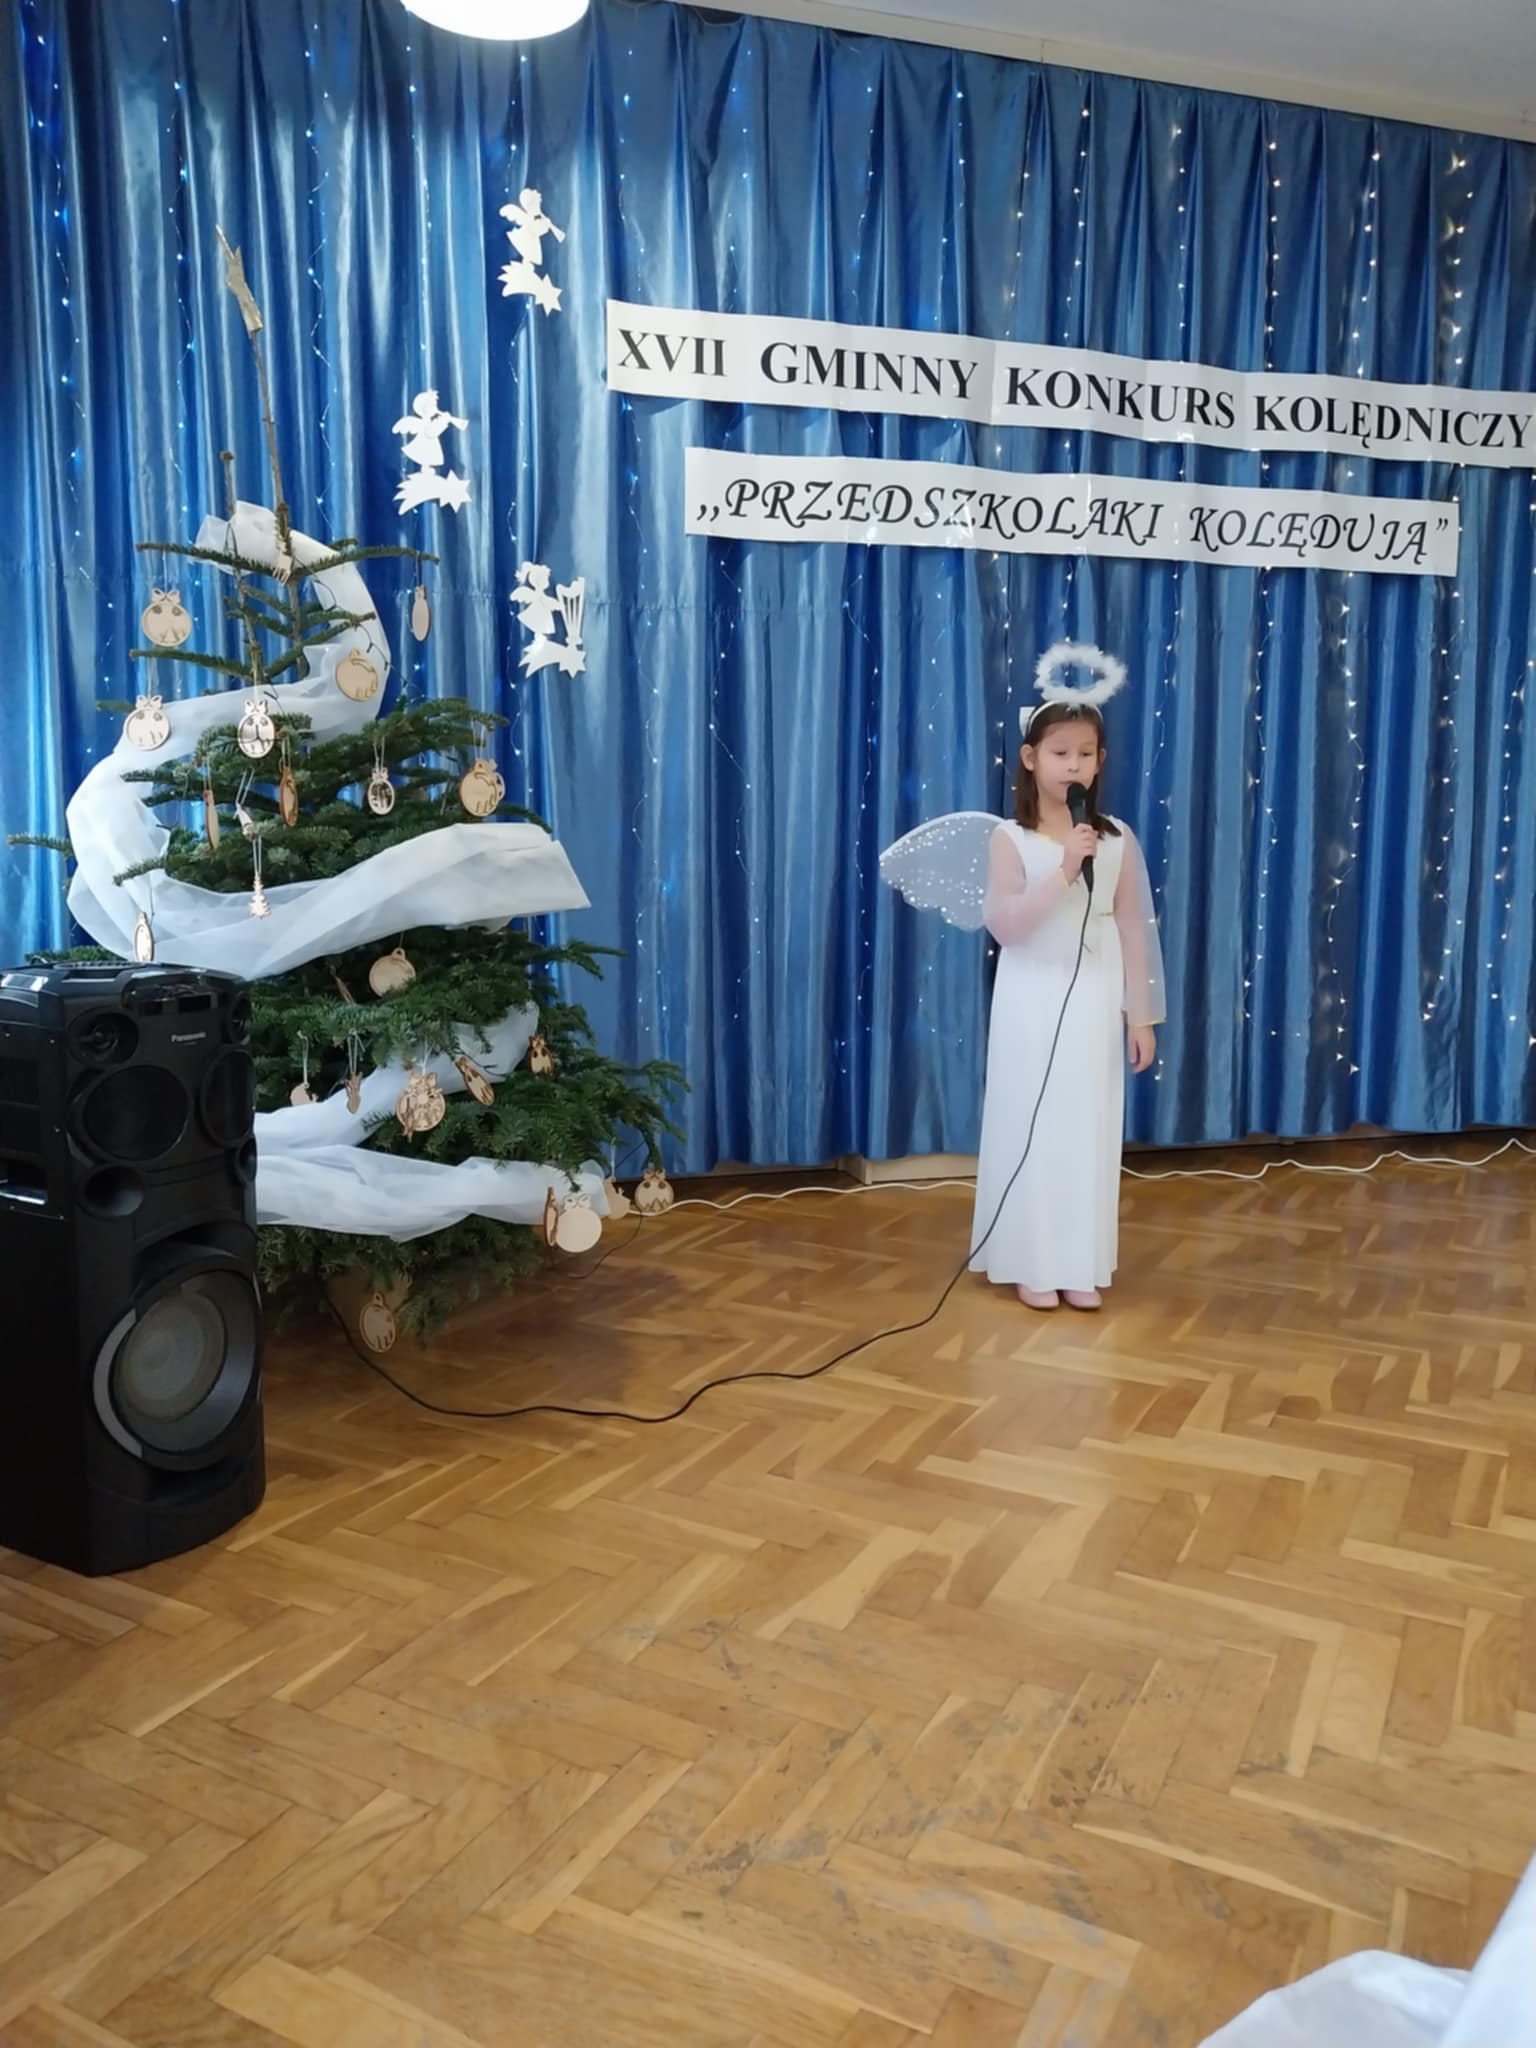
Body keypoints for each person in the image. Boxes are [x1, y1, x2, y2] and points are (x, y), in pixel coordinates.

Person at [970, 698, 1165, 1311]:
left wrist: (1141, 1015)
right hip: (1032, 996)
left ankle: (1078, 1260)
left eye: (1085, 754)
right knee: (1035, 1122)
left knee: (1086, 1126)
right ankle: (1030, 1259)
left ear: (1100, 761)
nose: (1073, 765)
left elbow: (1133, 926)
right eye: (1059, 753)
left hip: (1095, 997)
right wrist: (1062, 871)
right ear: (1031, 759)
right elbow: (1006, 926)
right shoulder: (1011, 839)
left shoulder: (1117, 838)